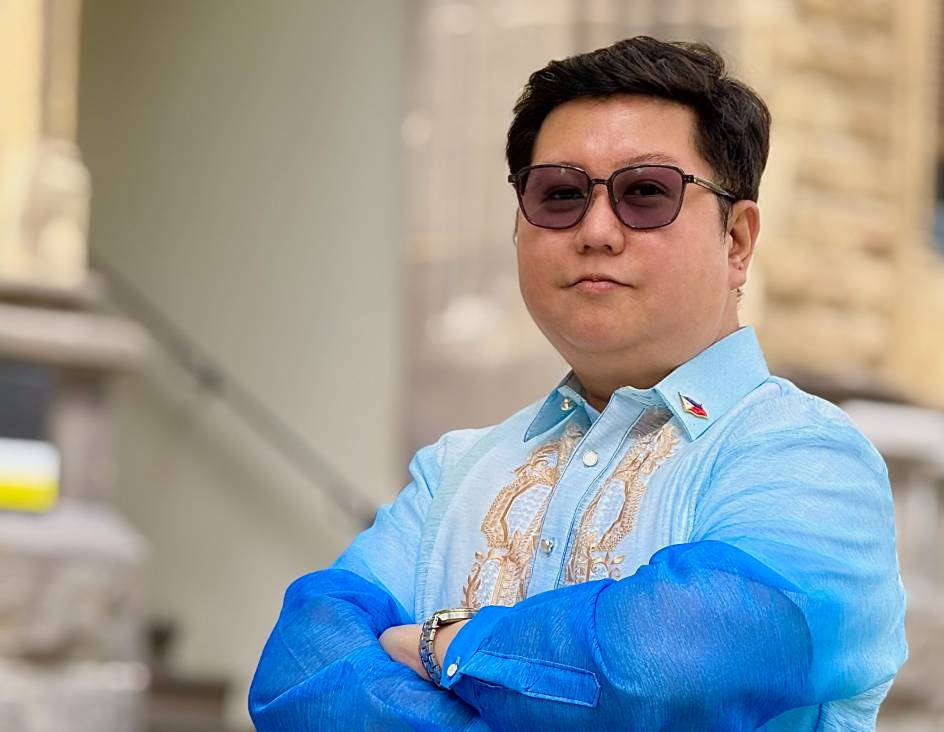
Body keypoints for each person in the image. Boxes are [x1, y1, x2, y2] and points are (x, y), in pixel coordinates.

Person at [248, 36, 906, 731]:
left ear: (737, 240)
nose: (596, 230)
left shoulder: (806, 460)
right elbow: (301, 675)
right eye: (559, 194)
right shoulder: (454, 474)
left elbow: (669, 668)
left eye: (645, 194)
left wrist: (449, 644)